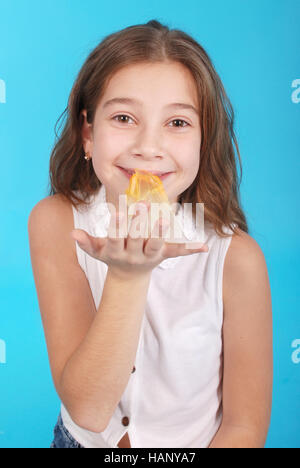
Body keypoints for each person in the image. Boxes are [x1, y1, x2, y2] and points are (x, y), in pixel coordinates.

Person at [28, 19, 273, 448]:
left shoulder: (236, 257)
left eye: (177, 123)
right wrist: (128, 276)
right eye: (124, 117)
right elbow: (88, 408)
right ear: (88, 134)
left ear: (203, 140)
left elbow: (244, 427)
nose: (148, 146)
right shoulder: (56, 222)